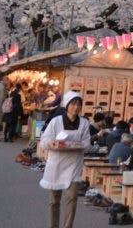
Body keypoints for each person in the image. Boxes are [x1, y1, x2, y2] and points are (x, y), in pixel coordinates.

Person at [39, 90, 91, 228]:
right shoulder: (56, 122)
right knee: (54, 200)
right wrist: (51, 143)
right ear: (67, 105)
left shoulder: (84, 123)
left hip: (74, 165)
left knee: (72, 199)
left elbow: (87, 143)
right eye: (73, 104)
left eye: (78, 104)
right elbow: (44, 140)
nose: (76, 107)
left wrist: (78, 145)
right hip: (56, 164)